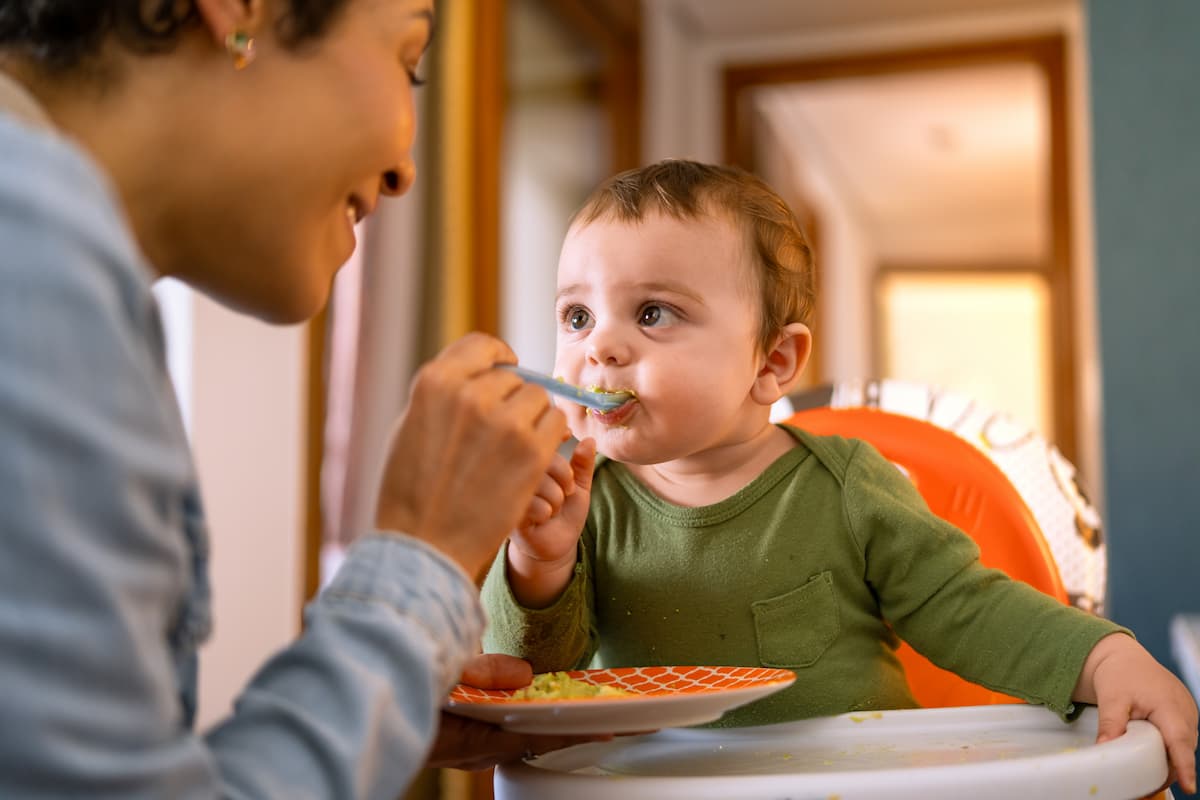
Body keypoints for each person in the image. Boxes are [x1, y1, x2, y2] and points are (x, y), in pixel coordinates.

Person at [0, 0, 600, 796]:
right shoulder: (34, 253)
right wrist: (424, 554)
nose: (406, 171)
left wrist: (381, 697)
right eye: (407, 60)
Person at [481, 159, 1199, 793]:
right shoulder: (581, 505)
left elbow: (968, 608)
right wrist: (537, 564)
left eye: (652, 312)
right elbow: (525, 686)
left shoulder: (847, 487)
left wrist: (1105, 657)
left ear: (773, 363)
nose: (599, 346)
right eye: (576, 315)